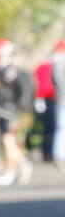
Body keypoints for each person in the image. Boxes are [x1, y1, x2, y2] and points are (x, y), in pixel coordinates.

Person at [0, 38, 32, 185]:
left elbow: (9, 92)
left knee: (8, 140)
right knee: (6, 140)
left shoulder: (9, 70)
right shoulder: (0, 69)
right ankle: (22, 163)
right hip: (3, 108)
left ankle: (12, 170)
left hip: (9, 109)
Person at [51, 39, 65, 171]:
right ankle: (60, 156)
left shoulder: (57, 62)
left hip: (61, 100)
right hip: (62, 100)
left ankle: (59, 155)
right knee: (62, 129)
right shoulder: (60, 62)